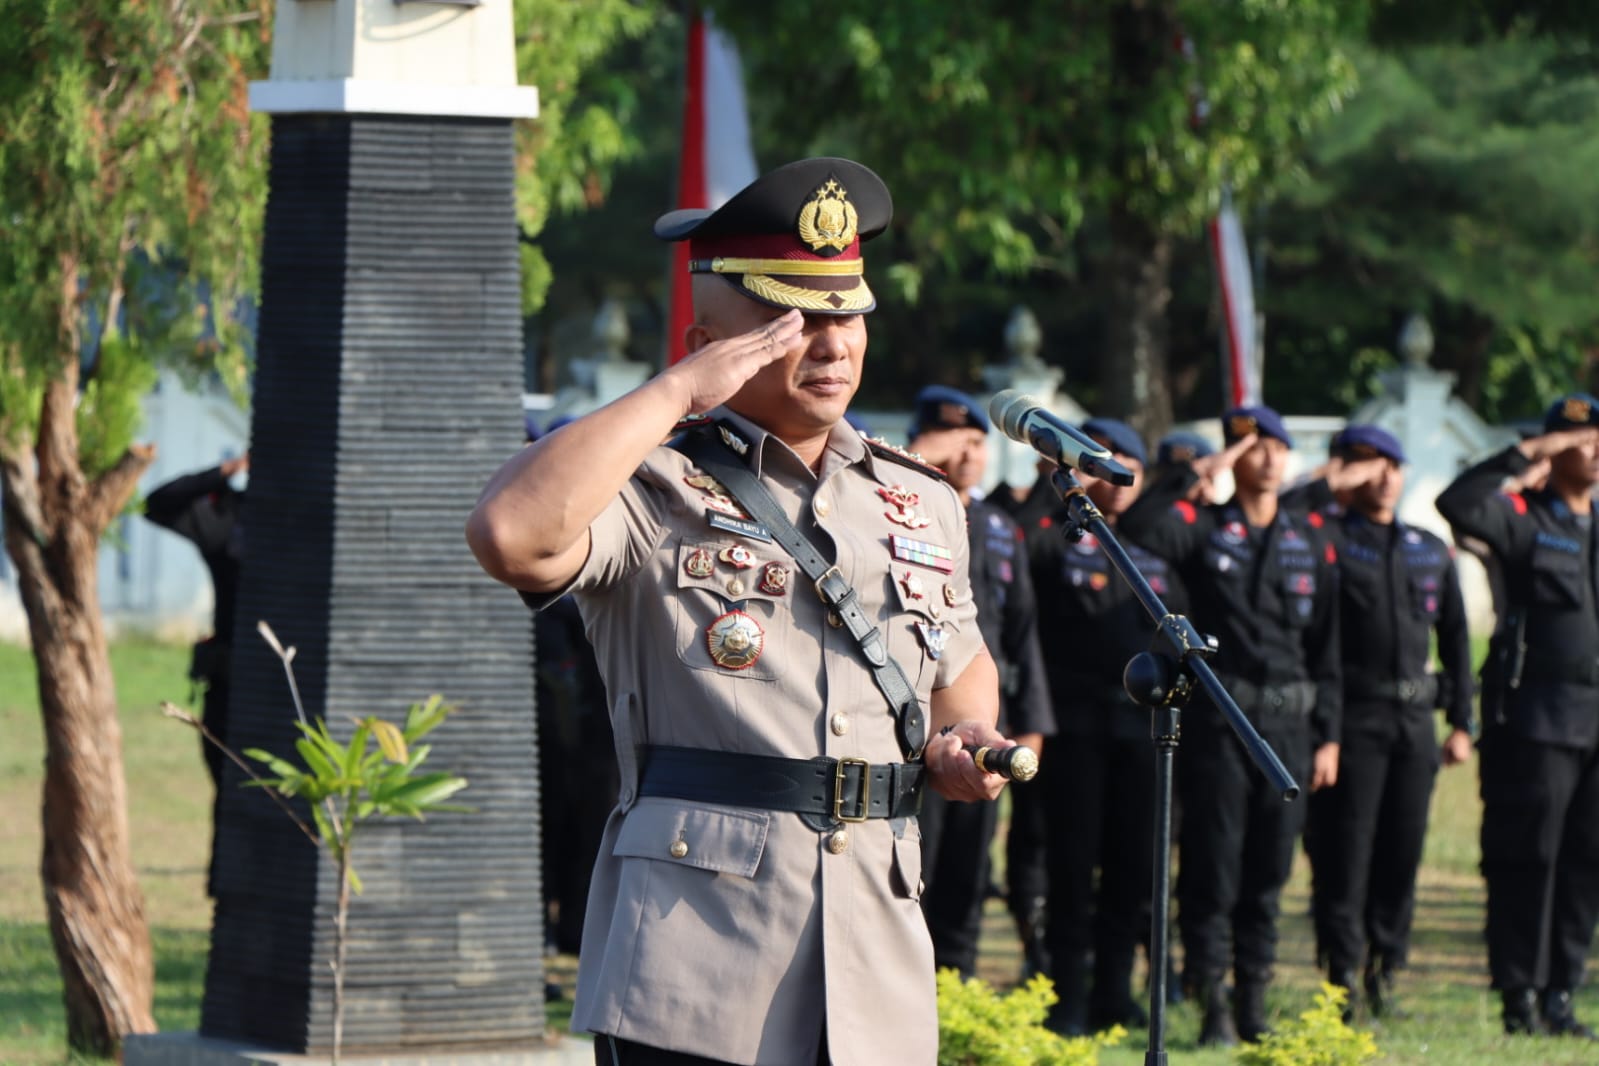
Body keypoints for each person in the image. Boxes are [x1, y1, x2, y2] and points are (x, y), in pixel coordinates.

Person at [466, 157, 1020, 1066]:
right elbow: (508, 533)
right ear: (707, 342)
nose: (831, 346)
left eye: (847, 315)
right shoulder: (651, 486)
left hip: (872, 949)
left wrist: (964, 740)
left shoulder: (917, 499)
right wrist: (675, 394)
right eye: (790, 323)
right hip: (698, 955)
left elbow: (958, 671)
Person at [1120, 406, 1341, 1046]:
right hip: (1224, 725)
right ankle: (1213, 1003)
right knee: (1214, 870)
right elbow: (1138, 527)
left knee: (1269, 873)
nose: (1265, 458)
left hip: (1292, 728)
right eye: (1251, 448)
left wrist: (1328, 734)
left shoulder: (1309, 536)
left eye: (1275, 447)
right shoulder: (1205, 529)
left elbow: (1328, 647)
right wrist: (1200, 471)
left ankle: (1254, 1003)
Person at [1281, 425, 1474, 1019]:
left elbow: (1456, 638)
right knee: (1346, 852)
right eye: (1370, 464)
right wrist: (1334, 478)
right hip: (1352, 718)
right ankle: (1341, 973)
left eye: (1394, 464)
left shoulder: (1426, 547)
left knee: (1402, 850)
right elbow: (1286, 511)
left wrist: (1461, 721)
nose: (1386, 476)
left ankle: (1384, 969)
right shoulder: (1324, 536)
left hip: (1414, 723)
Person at [1435, 393, 1599, 1039]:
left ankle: (1561, 992)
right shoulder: (1522, 517)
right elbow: (1457, 503)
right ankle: (1519, 994)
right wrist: (1528, 452)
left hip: (1595, 719)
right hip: (1536, 718)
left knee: (1586, 860)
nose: (1591, 449)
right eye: (1579, 439)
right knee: (1528, 858)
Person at [1028, 417, 1176, 1034]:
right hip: (1075, 729)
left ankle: (1116, 992)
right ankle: (1068, 996)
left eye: (1124, 466)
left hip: (1137, 732)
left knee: (1131, 865)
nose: (1112, 477)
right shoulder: (1050, 541)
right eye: (1098, 462)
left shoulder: (1151, 557)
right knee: (1071, 863)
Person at [903, 386, 1054, 979]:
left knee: (971, 862)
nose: (968, 455)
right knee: (916, 862)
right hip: (915, 718)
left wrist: (1032, 721)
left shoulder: (998, 526)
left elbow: (1024, 631)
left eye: (977, 442)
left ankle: (958, 981)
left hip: (988, 723)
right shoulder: (898, 511)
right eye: (955, 441)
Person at [143, 452, 248, 897]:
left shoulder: (315, 517)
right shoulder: (232, 518)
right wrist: (223, 471)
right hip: (228, 682)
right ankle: (226, 889)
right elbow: (158, 503)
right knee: (228, 785)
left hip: (284, 683)